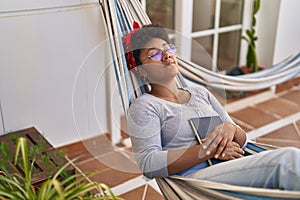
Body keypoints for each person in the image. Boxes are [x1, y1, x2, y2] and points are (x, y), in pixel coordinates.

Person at [125, 24, 300, 191]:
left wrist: (229, 128)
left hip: (229, 166)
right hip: (197, 181)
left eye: (168, 49)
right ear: (141, 70)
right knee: (287, 161)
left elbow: (243, 140)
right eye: (154, 54)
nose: (166, 56)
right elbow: (148, 163)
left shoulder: (200, 93)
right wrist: (209, 150)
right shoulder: (145, 106)